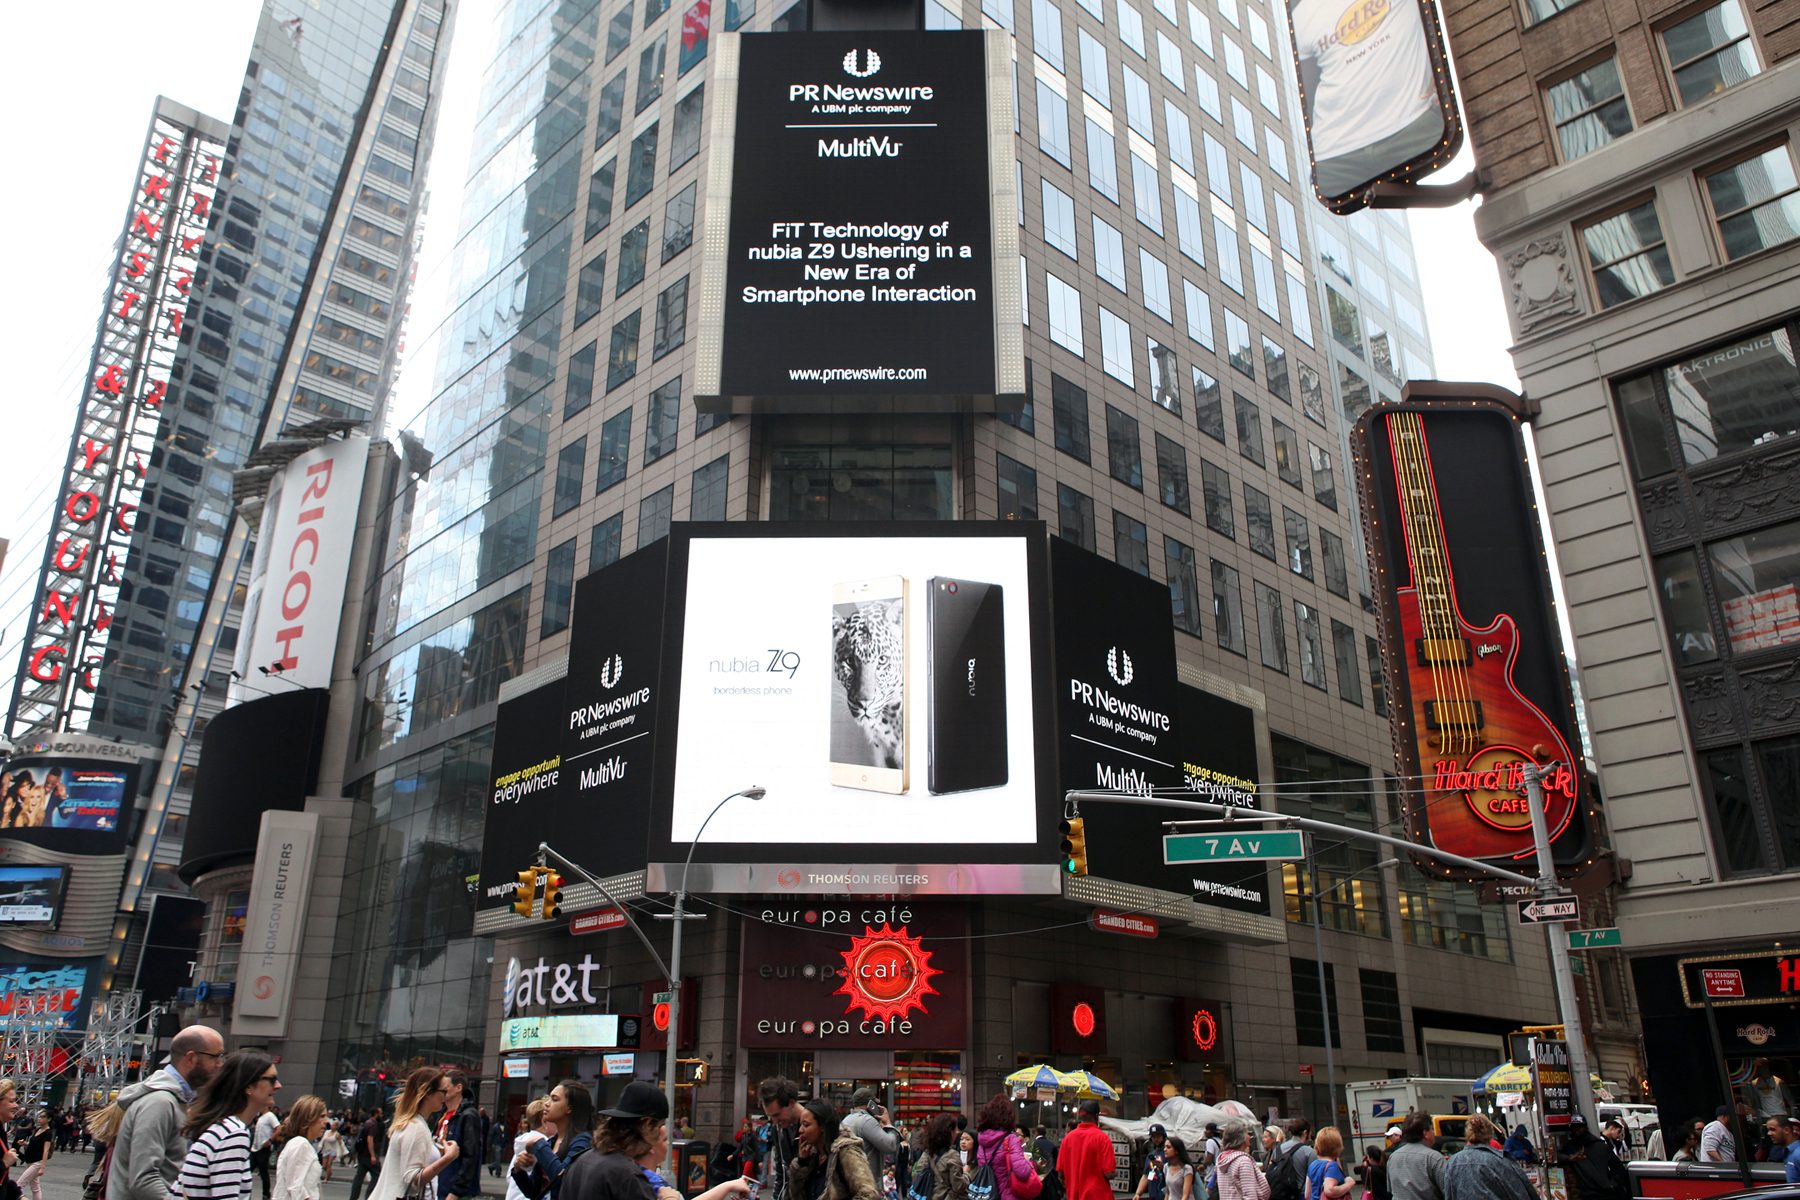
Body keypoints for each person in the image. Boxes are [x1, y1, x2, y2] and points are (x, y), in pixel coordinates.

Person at [111, 1025, 225, 1200]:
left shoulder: (177, 1100)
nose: (220, 1064)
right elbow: (144, 1179)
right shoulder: (160, 1103)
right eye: (215, 1057)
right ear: (191, 1058)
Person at [173, 1051, 282, 1200]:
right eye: (271, 1080)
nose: (278, 1086)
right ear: (248, 1086)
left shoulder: (224, 1128)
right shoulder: (234, 1134)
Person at [369, 1069, 459, 1200]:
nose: (446, 1096)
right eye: (443, 1091)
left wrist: (439, 1150)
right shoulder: (416, 1128)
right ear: (428, 1093)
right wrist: (448, 1158)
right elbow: (412, 1181)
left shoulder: (414, 1124)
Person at [512, 1081, 594, 1200]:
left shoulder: (583, 1142)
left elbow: (563, 1181)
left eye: (554, 1099)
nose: (546, 1104)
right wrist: (518, 1169)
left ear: (569, 1108)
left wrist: (539, 1144)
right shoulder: (551, 1142)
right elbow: (533, 1192)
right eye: (549, 1098)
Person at [787, 1099, 880, 1200]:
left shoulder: (846, 1152)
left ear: (822, 1126)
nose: (800, 1130)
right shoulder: (812, 1157)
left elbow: (869, 1195)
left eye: (806, 1125)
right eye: (800, 1125)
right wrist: (802, 1162)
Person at [1441, 1117, 1530, 1200]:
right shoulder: (1500, 1160)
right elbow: (1519, 1194)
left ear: (1467, 1133)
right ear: (1490, 1134)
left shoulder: (1452, 1162)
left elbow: (1448, 1195)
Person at [972, 1095, 1037, 1200]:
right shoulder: (1011, 1139)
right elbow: (1022, 1172)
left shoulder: (982, 1141)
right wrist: (1029, 1162)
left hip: (986, 1194)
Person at [1557, 1114, 1627, 1200]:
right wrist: (1569, 1158)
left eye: (1579, 1127)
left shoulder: (1600, 1145)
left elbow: (1619, 1168)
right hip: (1586, 1194)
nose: (1577, 1130)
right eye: (1574, 1127)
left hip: (1606, 1193)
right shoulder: (1570, 1147)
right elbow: (1555, 1157)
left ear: (1585, 1127)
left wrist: (1612, 1184)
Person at [273, 1097, 328, 1200]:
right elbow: (295, 1188)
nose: (326, 1121)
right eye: (322, 1116)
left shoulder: (300, 1143)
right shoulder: (301, 1144)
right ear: (308, 1118)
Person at [439, 1073, 483, 1200]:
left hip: (455, 1191)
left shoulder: (468, 1115)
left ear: (458, 1088)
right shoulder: (441, 1114)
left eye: (445, 1087)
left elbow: (471, 1156)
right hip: (439, 1184)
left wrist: (456, 1191)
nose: (441, 1091)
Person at [1056, 1102, 1114, 1200]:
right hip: (1098, 1196)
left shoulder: (1068, 1138)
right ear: (1096, 1116)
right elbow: (1109, 1173)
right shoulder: (1102, 1138)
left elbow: (1060, 1173)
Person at [842, 1090, 899, 1187]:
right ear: (870, 1104)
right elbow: (891, 1145)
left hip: (851, 1181)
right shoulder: (867, 1120)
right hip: (868, 1182)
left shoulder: (846, 1120)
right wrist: (888, 1124)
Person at [759, 1079, 805, 1200]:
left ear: (791, 1103)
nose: (774, 1121)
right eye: (770, 1116)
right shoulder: (778, 1129)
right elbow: (781, 1173)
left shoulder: (814, 1125)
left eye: (776, 1115)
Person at [1383, 1114, 1443, 1200]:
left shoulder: (1393, 1157)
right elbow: (1448, 1190)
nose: (1433, 1133)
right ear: (1425, 1133)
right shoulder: (1434, 1158)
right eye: (1432, 1129)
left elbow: (1391, 1189)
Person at [1213, 1122, 1268, 1200]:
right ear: (1241, 1138)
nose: (1250, 1137)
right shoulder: (1243, 1161)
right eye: (1247, 1134)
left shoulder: (1222, 1159)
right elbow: (1250, 1196)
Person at [1264, 1121, 1313, 1200]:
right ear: (1305, 1133)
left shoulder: (1278, 1149)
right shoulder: (1309, 1152)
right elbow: (1313, 1177)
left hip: (1281, 1194)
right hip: (1301, 1195)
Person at [923, 1115, 967, 1200]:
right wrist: (967, 1175)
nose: (957, 1132)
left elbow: (916, 1173)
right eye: (955, 1130)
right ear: (950, 1132)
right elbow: (958, 1186)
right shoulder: (952, 1155)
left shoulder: (927, 1153)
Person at [348, 1109, 386, 1200]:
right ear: (376, 1114)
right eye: (380, 1113)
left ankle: (353, 1198)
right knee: (377, 1176)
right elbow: (370, 1140)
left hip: (362, 1155)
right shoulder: (373, 1125)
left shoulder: (367, 1123)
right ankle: (369, 1197)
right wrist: (373, 1155)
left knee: (359, 1177)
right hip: (368, 1156)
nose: (382, 1115)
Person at [1301, 1129, 1349, 1200]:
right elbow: (1330, 1190)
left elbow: (1307, 1195)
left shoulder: (1313, 1165)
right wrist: (1349, 1184)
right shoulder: (1332, 1166)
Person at [19, 1110, 52, 1200]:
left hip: (37, 1162)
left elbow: (45, 1150)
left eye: (43, 1117)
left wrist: (42, 1167)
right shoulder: (38, 1129)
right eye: (39, 1116)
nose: (39, 1119)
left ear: (48, 1119)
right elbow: (33, 1144)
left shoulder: (48, 1133)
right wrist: (24, 1143)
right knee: (35, 1188)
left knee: (19, 1185)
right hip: (30, 1160)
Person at [251, 1105, 282, 1200]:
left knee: (263, 1171)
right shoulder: (261, 1117)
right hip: (255, 1148)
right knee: (248, 1170)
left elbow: (279, 1128)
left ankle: (266, 1194)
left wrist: (270, 1140)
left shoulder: (270, 1116)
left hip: (263, 1148)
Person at [1133, 1127, 1168, 1200]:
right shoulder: (1150, 1155)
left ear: (1163, 1136)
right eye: (1153, 1136)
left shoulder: (1169, 1153)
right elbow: (1146, 1176)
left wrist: (1163, 1167)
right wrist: (1138, 1193)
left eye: (1158, 1136)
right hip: (1153, 1195)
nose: (1156, 1139)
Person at [1765, 1116, 1799, 1182]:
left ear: (1786, 1130)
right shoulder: (1787, 1152)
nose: (1768, 1133)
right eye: (1768, 1130)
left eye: (1772, 1129)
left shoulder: (1798, 1153)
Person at [319, 1119, 346, 1184]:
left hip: (333, 1150)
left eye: (334, 1125)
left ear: (336, 1127)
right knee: (324, 1166)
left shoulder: (337, 1134)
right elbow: (323, 1140)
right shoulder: (327, 1132)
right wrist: (320, 1147)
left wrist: (343, 1151)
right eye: (332, 1125)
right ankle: (329, 1173)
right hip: (326, 1149)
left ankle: (326, 1178)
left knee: (329, 1164)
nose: (332, 1126)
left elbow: (341, 1143)